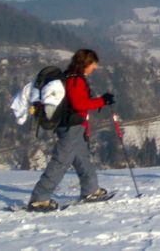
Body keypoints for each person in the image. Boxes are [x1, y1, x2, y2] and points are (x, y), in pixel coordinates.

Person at [28, 48, 116, 211]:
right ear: (86, 63)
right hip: (71, 127)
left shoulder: (70, 76)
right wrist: (102, 101)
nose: (95, 68)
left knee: (82, 159)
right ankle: (39, 198)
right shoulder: (75, 80)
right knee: (60, 162)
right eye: (94, 65)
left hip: (75, 126)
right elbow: (79, 104)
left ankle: (91, 190)